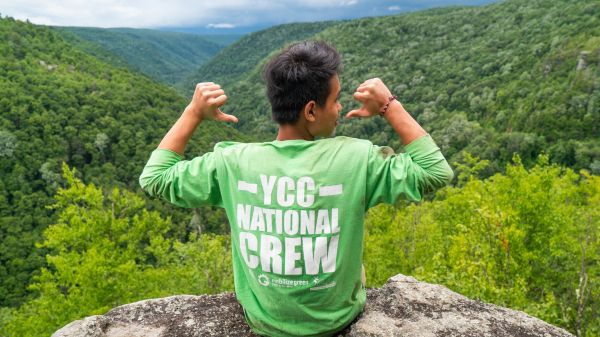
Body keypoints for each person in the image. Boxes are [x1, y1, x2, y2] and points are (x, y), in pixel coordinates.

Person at [139, 40, 453, 337]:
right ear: (311, 111)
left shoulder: (232, 162)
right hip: (336, 319)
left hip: (264, 322)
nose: (341, 107)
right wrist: (388, 105)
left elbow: (154, 178)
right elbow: (435, 171)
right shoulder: (356, 159)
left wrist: (193, 113)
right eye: (336, 99)